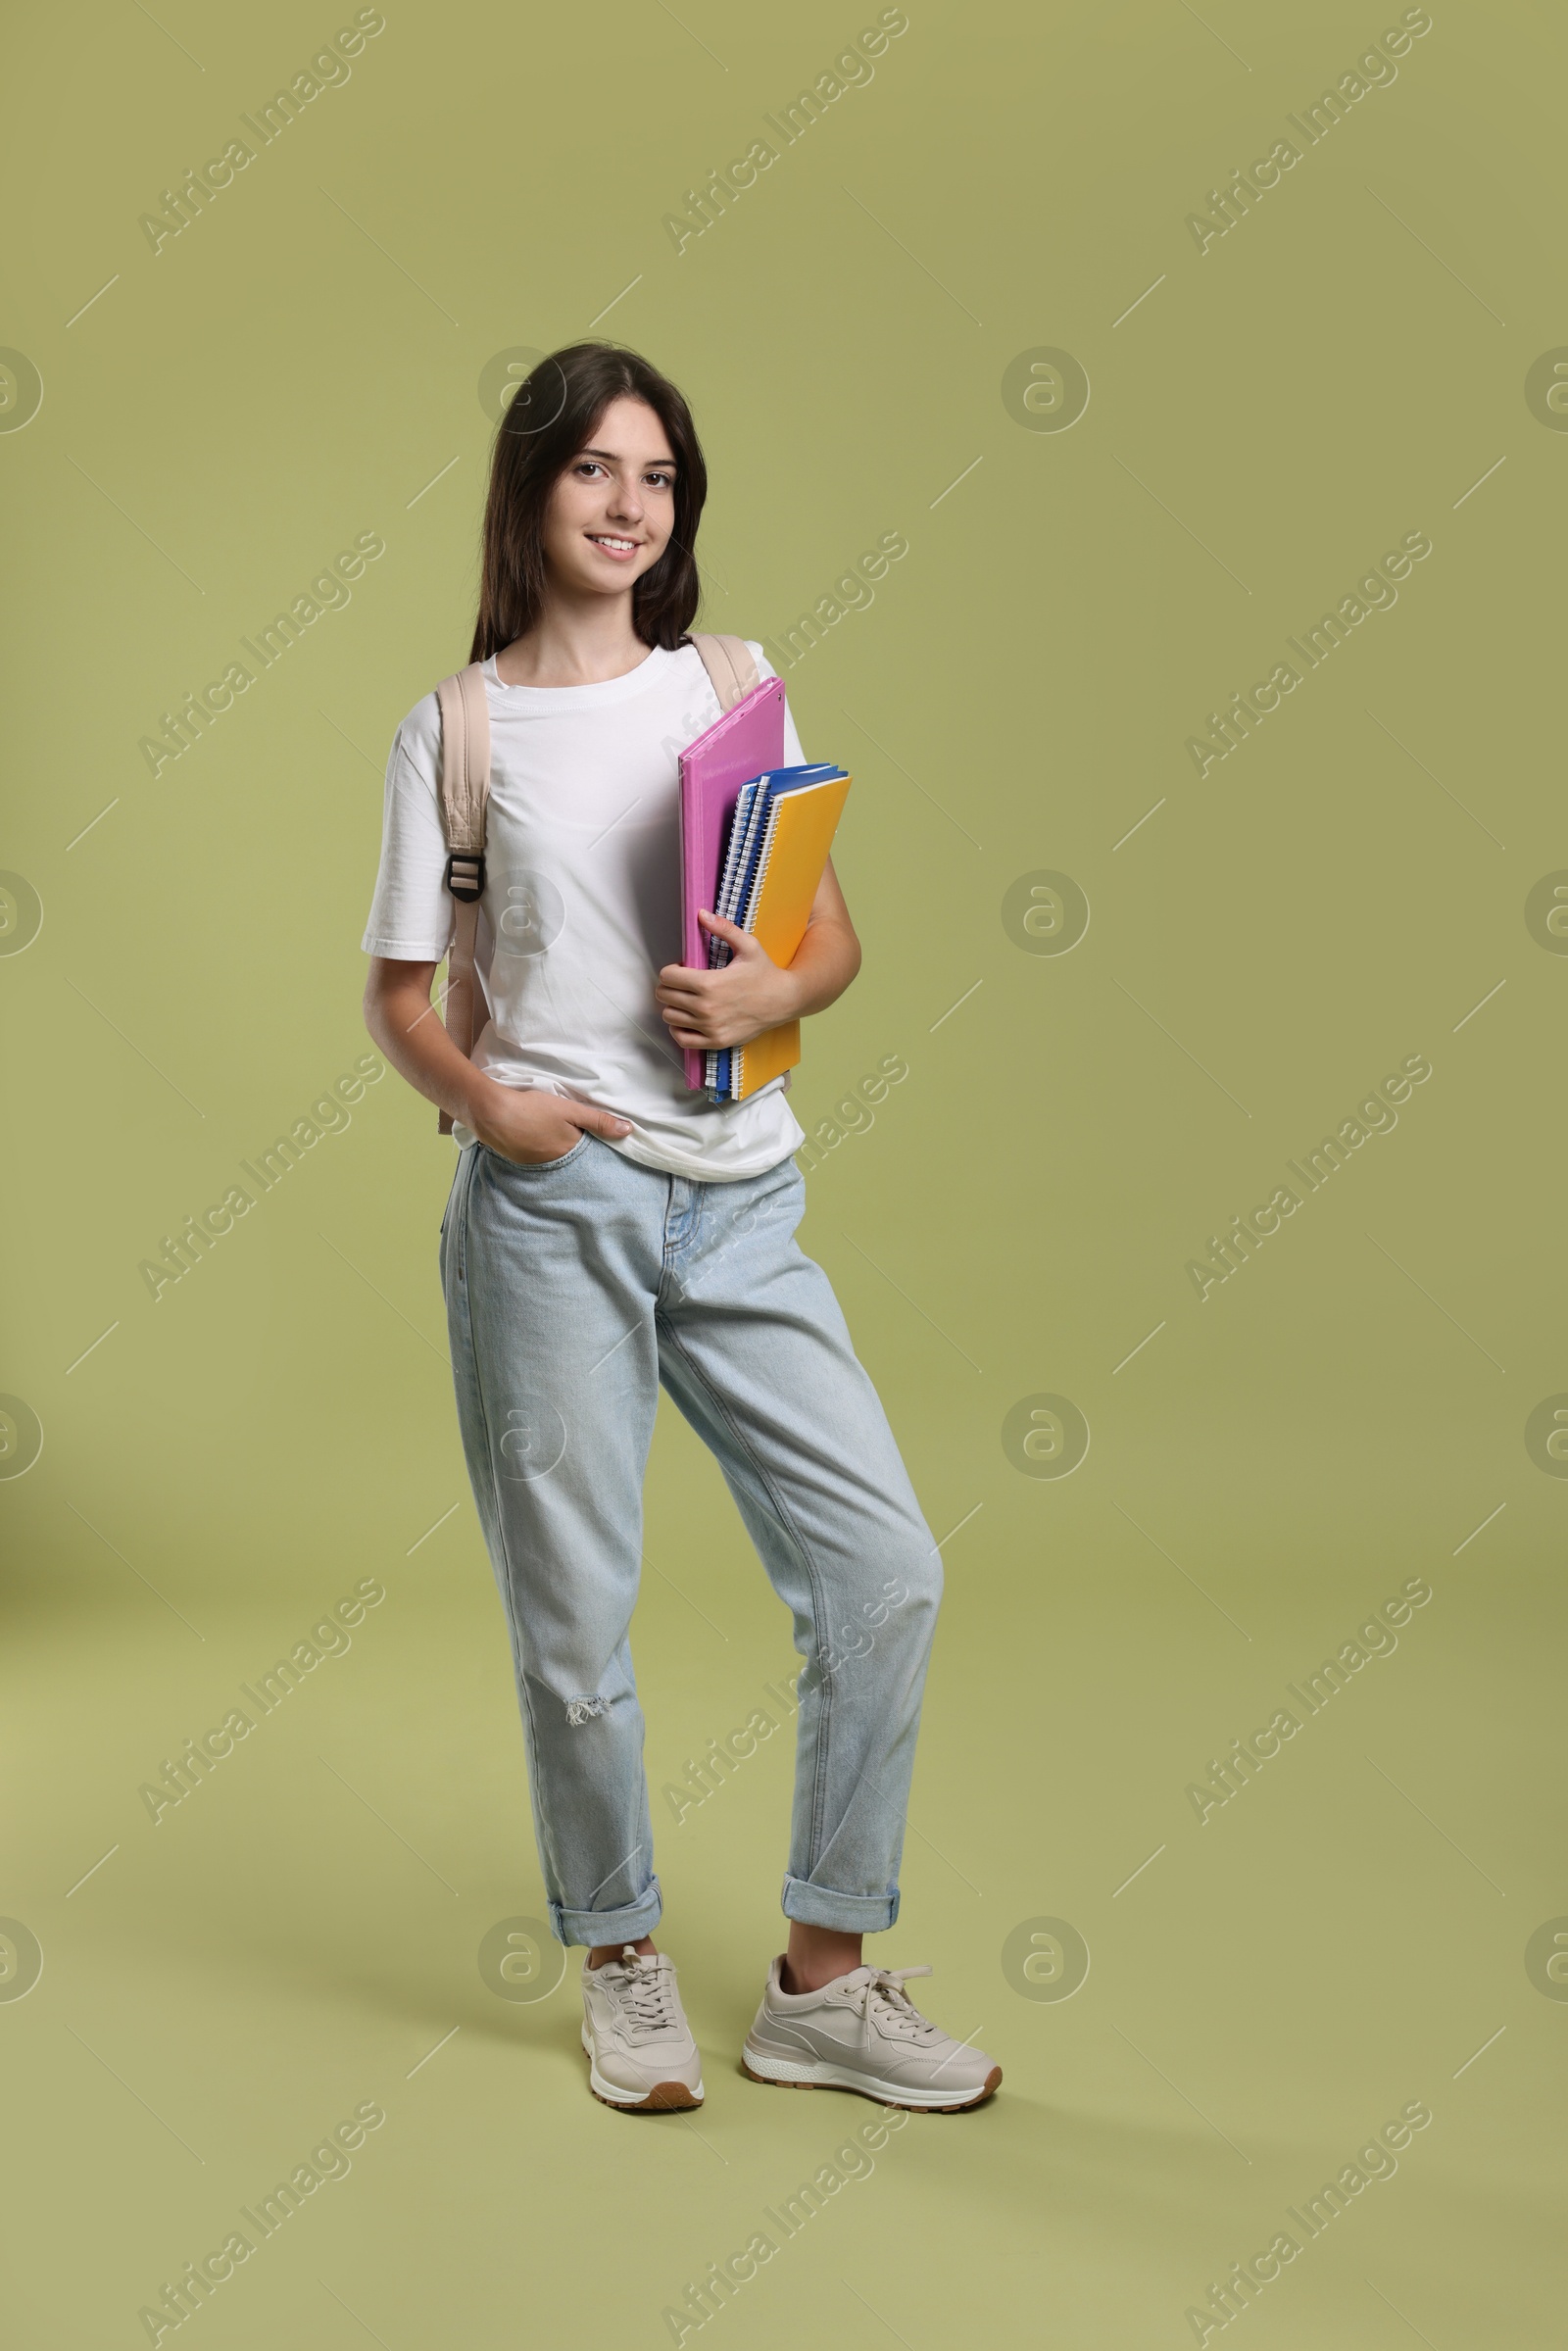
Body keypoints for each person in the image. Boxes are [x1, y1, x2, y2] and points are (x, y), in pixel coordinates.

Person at [361, 342, 1000, 2115]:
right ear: (531, 492)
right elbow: (401, 996)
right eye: (593, 472)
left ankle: (821, 1983)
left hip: (745, 1197)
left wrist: (765, 991)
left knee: (884, 1568)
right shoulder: (458, 729)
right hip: (552, 1205)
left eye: (656, 476)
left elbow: (829, 943)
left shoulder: (735, 690)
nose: (627, 504)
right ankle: (622, 1956)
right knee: (576, 1622)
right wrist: (491, 1105)